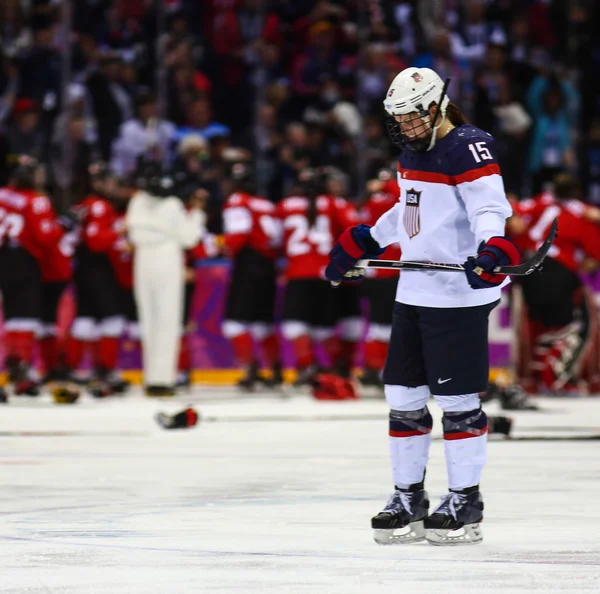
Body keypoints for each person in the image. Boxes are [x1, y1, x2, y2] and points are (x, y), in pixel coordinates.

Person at [325, 67, 518, 546]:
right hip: (413, 289)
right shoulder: (414, 150)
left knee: (457, 401)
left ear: (436, 107)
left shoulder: (468, 146)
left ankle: (465, 499)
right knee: (403, 397)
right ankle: (408, 496)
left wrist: (493, 247)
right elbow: (411, 210)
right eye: (399, 118)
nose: (406, 126)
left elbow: (488, 208)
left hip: (456, 296)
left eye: (412, 117)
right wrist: (370, 238)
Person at [125, 162, 206, 396]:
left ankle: (151, 378)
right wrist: (198, 213)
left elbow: (133, 231)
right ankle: (163, 379)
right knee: (167, 320)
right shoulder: (172, 204)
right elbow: (189, 238)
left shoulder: (137, 202)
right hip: (167, 258)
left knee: (148, 319)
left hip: (143, 261)